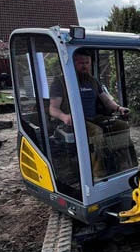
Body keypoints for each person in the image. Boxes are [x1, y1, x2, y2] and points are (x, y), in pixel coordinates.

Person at [49, 49, 132, 177]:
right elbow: (53, 108)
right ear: (72, 63)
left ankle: (124, 166)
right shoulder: (60, 82)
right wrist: (64, 117)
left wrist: (119, 108)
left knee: (121, 126)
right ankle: (99, 174)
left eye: (87, 63)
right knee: (96, 132)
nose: (84, 66)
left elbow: (106, 100)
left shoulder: (92, 81)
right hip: (75, 121)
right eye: (81, 63)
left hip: (94, 117)